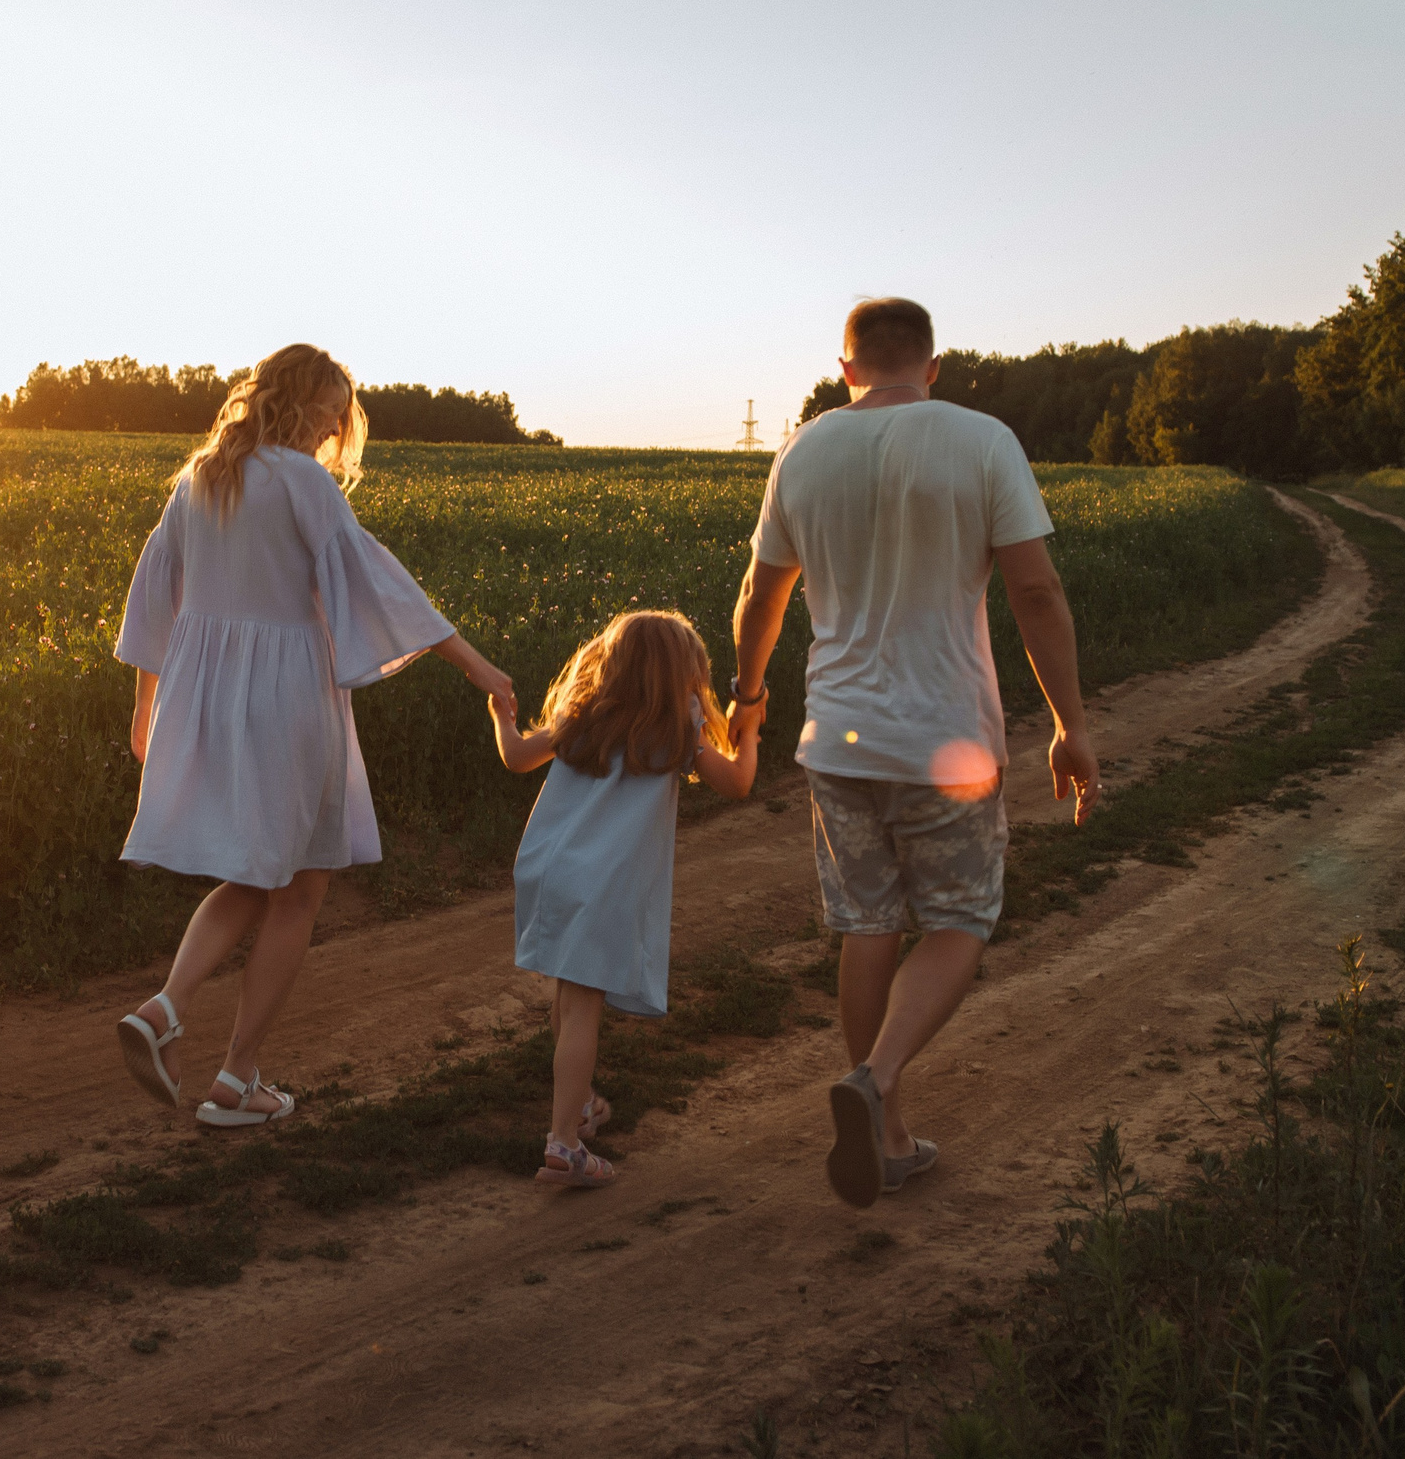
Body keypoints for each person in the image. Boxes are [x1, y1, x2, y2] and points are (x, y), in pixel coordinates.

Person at [728, 297, 1100, 1208]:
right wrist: (1070, 723)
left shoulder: (803, 451)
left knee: (868, 921)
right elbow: (1037, 593)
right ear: (933, 366)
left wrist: (747, 699)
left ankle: (886, 1136)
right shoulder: (981, 439)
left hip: (837, 734)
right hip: (946, 738)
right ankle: (880, 1079)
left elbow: (758, 600)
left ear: (846, 367)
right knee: (960, 918)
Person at [112, 343, 515, 1127]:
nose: (336, 431)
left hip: (210, 697)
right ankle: (235, 1076)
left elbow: (153, 594)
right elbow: (375, 579)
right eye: (332, 414)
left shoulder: (202, 476)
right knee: (303, 884)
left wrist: (145, 706)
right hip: (290, 698)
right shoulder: (303, 481)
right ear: (302, 407)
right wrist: (477, 667)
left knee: (256, 870)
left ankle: (167, 1009)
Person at [489, 610, 761, 1187]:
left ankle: (581, 1105)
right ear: (684, 674)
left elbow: (514, 756)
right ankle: (564, 1144)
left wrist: (501, 718)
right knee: (584, 1001)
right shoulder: (678, 725)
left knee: (567, 991)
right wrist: (750, 732)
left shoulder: (583, 713)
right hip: (603, 881)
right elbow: (738, 783)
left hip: (548, 867)